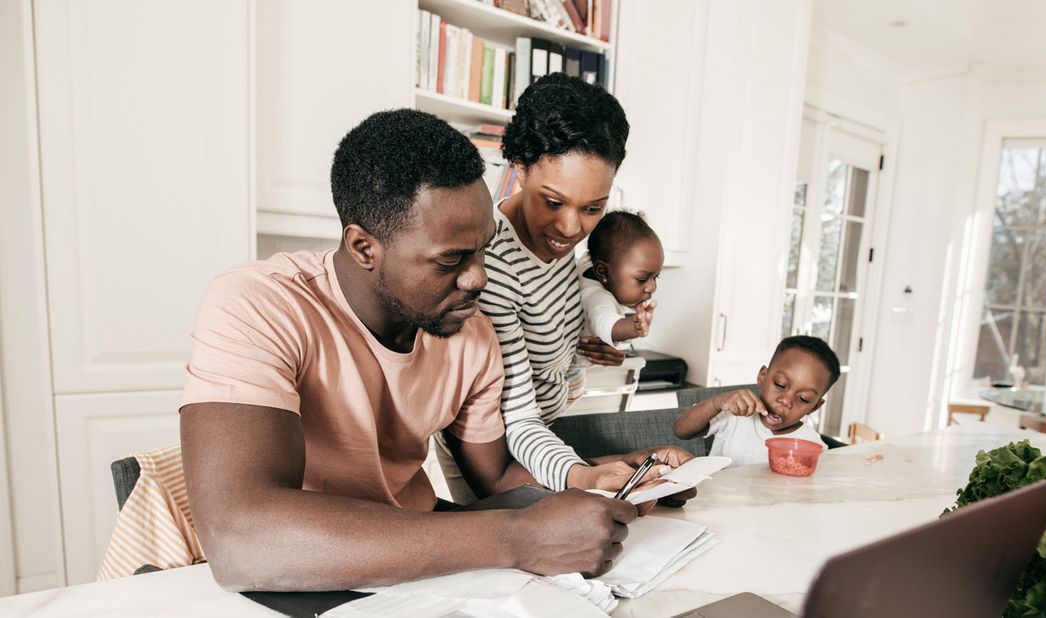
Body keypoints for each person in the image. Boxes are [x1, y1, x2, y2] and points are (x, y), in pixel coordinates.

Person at [179, 109, 639, 592]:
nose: (478, 277)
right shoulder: (260, 304)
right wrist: (519, 539)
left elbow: (498, 477)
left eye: (484, 249)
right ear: (362, 247)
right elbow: (241, 541)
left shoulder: (471, 334)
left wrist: (596, 479)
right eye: (451, 258)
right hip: (292, 579)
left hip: (415, 570)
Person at [436, 73, 694, 503]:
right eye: (553, 202)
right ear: (519, 170)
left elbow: (552, 331)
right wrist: (585, 476)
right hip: (495, 453)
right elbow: (515, 417)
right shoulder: (494, 267)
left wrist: (590, 343)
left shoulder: (559, 249)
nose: (572, 228)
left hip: (542, 439)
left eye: (593, 207)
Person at [673, 336, 840, 465]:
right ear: (763, 376)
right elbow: (681, 430)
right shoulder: (734, 416)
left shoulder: (811, 445)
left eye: (803, 399)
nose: (785, 401)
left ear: (815, 406)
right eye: (780, 385)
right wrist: (718, 403)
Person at [577, 210, 663, 349]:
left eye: (655, 277)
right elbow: (605, 322)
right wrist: (632, 327)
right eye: (642, 278)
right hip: (572, 370)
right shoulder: (596, 296)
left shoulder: (589, 263)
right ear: (603, 272)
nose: (652, 287)